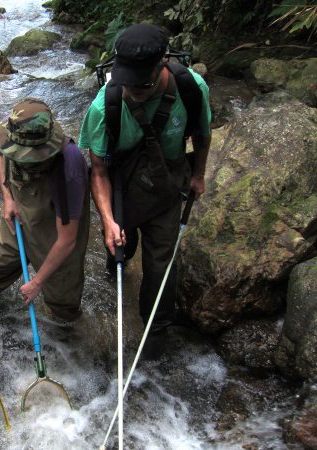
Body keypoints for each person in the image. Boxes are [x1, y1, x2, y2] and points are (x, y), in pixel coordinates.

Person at [79, 23, 211, 357]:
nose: (133, 92)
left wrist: (198, 174)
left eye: (143, 85)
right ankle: (116, 263)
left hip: (168, 181)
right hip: (121, 180)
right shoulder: (103, 107)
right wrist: (108, 220)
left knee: (162, 261)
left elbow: (202, 133)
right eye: (128, 84)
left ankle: (157, 328)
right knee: (121, 242)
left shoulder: (191, 89)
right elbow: (98, 171)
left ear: (163, 62)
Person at [0, 98, 90, 322]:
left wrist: (37, 283)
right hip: (18, 211)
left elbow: (67, 241)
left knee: (62, 299)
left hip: (54, 229)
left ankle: (65, 337)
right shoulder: (11, 132)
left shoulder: (69, 168)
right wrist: (7, 197)